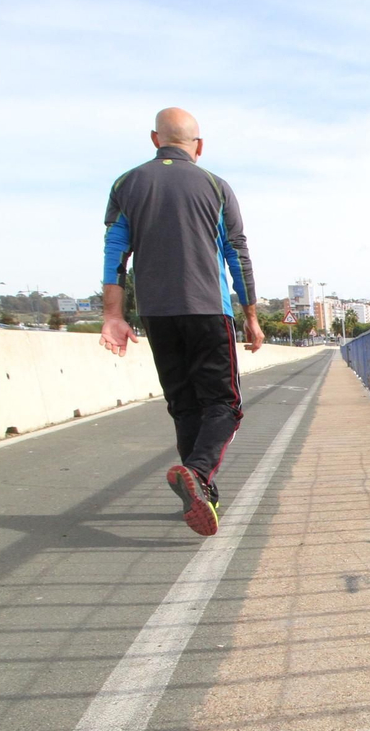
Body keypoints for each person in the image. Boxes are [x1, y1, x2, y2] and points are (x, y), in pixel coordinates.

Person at [98, 107, 262, 536]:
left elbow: (115, 251)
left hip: (157, 312)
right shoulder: (215, 186)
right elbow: (236, 254)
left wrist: (112, 315)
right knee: (225, 405)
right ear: (199, 146)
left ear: (156, 140)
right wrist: (250, 316)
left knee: (185, 406)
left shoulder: (127, 184)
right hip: (209, 309)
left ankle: (199, 490)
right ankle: (199, 473)